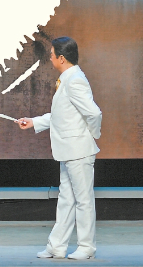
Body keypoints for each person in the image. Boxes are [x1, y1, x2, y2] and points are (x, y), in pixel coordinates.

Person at [18, 36, 102, 261]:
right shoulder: (67, 79)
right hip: (68, 150)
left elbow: (94, 113)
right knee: (66, 199)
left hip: (78, 150)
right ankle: (57, 246)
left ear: (62, 58)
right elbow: (61, 115)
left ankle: (86, 247)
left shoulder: (75, 80)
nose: (50, 58)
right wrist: (34, 122)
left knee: (83, 200)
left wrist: (90, 135)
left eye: (52, 54)